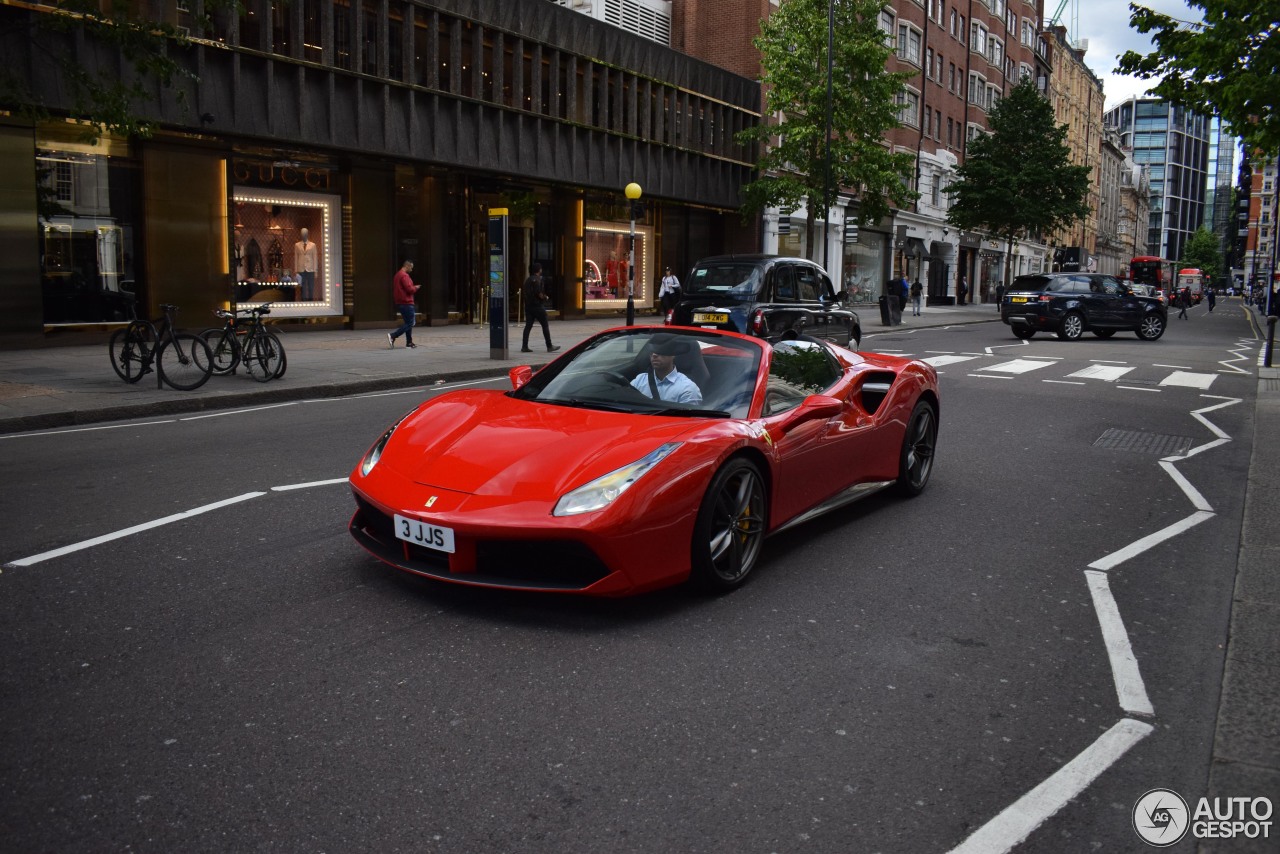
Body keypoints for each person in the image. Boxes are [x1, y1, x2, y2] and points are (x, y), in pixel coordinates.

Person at [630, 334, 703, 404]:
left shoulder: (688, 388)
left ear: (673, 355)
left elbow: (686, 416)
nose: (654, 355)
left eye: (661, 349)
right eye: (652, 351)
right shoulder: (639, 380)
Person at [521, 262, 560, 353]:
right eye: (541, 268)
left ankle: (524, 346)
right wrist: (545, 297)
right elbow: (539, 293)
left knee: (528, 326)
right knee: (545, 325)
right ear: (539, 270)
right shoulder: (537, 280)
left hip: (528, 306)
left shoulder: (528, 280)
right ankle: (549, 345)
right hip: (537, 306)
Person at [388, 259, 419, 348]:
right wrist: (415, 287)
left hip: (400, 302)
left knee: (407, 323)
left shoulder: (397, 275)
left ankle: (409, 342)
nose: (411, 270)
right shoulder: (404, 276)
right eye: (411, 268)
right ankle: (393, 336)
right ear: (407, 266)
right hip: (407, 302)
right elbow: (410, 289)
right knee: (410, 323)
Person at [294, 228, 319, 301]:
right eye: (302, 234)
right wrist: (296, 270)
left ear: (307, 234)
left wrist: (316, 271)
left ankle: (311, 300)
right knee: (303, 287)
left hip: (310, 269)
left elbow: (315, 258)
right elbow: (296, 258)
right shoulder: (297, 245)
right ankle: (303, 301)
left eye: (304, 234)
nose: (303, 235)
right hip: (301, 269)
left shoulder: (313, 245)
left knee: (311, 287)